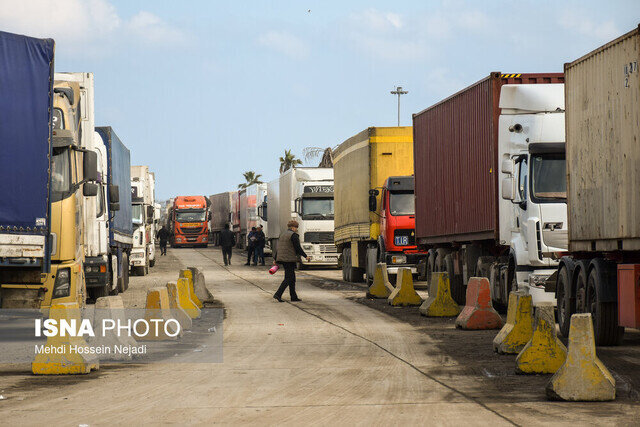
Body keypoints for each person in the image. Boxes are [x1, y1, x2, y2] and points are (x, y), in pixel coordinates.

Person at [273, 220, 309, 302]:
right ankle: (278, 294)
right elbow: (298, 248)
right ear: (293, 227)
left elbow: (279, 248)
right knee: (289, 278)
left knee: (292, 278)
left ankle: (293, 296)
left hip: (283, 259)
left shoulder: (283, 235)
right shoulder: (293, 235)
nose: (296, 229)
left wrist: (275, 259)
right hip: (289, 259)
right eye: (296, 227)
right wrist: (306, 256)